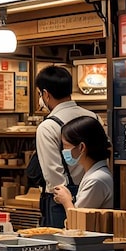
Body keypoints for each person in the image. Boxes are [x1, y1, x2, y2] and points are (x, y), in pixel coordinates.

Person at [34, 65, 101, 227]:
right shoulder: (95, 117)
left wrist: (67, 200)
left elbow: (54, 178)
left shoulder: (48, 126)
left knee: (62, 249)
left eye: (39, 95)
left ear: (45, 94)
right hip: (96, 193)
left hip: (62, 202)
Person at [52, 116, 114, 211]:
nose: (64, 151)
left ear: (81, 147)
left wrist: (66, 200)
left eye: (66, 146)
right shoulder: (94, 174)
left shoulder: (96, 180)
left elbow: (79, 221)